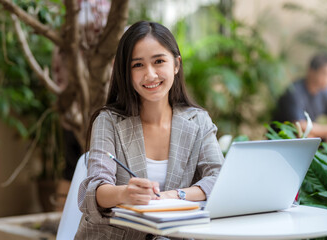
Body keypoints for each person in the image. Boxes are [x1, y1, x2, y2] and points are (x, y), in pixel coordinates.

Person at [75, 21, 224, 240]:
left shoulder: (198, 121)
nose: (150, 74)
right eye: (138, 65)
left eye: (159, 61)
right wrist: (125, 193)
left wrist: (174, 195)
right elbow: (94, 190)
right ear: (126, 72)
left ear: (176, 64)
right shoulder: (108, 121)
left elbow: (218, 177)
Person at [274, 53, 327, 146]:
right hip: (287, 136)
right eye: (325, 74)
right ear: (311, 71)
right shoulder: (294, 91)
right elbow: (301, 126)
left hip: (311, 134)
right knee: (307, 137)